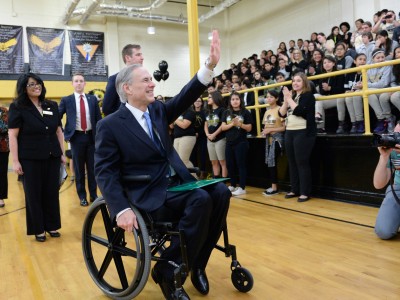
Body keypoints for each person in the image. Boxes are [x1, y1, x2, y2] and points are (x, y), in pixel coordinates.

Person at [95, 30, 230, 299]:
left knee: (222, 193)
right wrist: (120, 208)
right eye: (145, 80)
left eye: (151, 79)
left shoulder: (157, 109)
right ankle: (168, 271)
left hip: (176, 185)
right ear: (127, 88)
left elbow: (185, 96)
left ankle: (196, 265)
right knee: (201, 200)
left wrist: (209, 66)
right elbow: (105, 171)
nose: (152, 84)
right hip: (146, 195)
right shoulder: (109, 126)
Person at [8, 73, 65, 242]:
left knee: (51, 193)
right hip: (30, 159)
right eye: (31, 84)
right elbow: (12, 135)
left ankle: (52, 225)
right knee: (34, 194)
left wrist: (61, 153)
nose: (36, 86)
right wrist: (15, 161)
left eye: (38, 83)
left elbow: (58, 132)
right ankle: (38, 229)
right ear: (23, 88)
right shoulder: (18, 107)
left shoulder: (51, 105)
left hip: (52, 156)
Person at [59, 73, 102, 206]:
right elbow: (56, 117)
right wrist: (63, 132)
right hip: (76, 138)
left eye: (81, 81)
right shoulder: (67, 100)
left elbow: (98, 119)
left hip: (91, 137)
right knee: (79, 170)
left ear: (85, 84)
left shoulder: (93, 99)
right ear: (72, 84)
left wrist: (100, 136)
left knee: (92, 169)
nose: (78, 83)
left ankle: (94, 195)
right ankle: (82, 196)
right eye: (76, 81)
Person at [279, 72, 316, 202]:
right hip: (290, 131)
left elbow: (301, 111)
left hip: (303, 132)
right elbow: (282, 114)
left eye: (298, 81)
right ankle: (294, 189)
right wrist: (286, 100)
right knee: (292, 162)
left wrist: (289, 99)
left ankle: (305, 192)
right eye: (293, 81)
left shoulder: (308, 96)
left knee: (302, 162)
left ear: (304, 83)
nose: (295, 83)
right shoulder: (292, 96)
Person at [221, 91, 252, 196]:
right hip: (229, 142)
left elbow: (249, 128)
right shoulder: (226, 112)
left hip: (241, 142)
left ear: (240, 100)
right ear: (230, 101)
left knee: (241, 165)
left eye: (237, 99)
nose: (235, 101)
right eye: (233, 99)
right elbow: (223, 127)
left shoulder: (245, 112)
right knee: (230, 165)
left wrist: (240, 124)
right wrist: (232, 124)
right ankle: (233, 185)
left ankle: (242, 187)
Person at [373, 123, 400, 239]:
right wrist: (383, 158)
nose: (395, 138)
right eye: (395, 134)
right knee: (383, 231)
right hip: (398, 189)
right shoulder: (394, 151)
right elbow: (378, 184)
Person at [102, 44, 144, 115]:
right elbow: (107, 108)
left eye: (141, 55)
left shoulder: (144, 79)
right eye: (138, 55)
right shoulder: (115, 79)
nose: (142, 58)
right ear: (128, 58)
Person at [261, 90, 285, 196]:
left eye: (271, 97)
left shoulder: (280, 109)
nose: (268, 98)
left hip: (278, 139)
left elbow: (284, 127)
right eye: (267, 97)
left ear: (276, 98)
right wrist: (264, 131)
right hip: (268, 140)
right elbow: (265, 126)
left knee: (272, 162)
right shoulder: (266, 112)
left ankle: (274, 187)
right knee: (270, 163)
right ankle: (273, 186)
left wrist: (270, 130)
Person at [314, 56, 345, 134]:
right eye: (324, 63)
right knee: (316, 97)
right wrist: (325, 89)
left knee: (319, 99)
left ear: (333, 63)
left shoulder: (339, 74)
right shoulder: (322, 76)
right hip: (327, 98)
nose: (326, 64)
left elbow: (341, 90)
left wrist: (330, 88)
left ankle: (320, 124)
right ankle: (320, 127)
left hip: (337, 97)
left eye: (329, 62)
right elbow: (321, 92)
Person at [367, 49, 393, 134]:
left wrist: (369, 86)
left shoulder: (387, 65)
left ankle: (388, 120)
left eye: (382, 57)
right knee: (369, 94)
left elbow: (384, 83)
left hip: (385, 90)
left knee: (378, 95)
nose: (381, 59)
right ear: (373, 59)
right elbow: (365, 82)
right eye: (378, 58)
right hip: (374, 92)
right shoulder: (368, 68)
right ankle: (381, 119)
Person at [205, 91, 228, 178]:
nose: (208, 99)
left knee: (222, 161)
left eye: (210, 97)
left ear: (215, 98)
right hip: (209, 139)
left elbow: (222, 126)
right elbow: (205, 124)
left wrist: (214, 134)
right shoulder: (208, 111)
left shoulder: (222, 110)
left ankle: (224, 181)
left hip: (220, 138)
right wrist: (207, 134)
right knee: (213, 161)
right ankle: (216, 180)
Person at [344, 53, 367, 134]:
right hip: (352, 93)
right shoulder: (350, 72)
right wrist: (348, 90)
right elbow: (346, 87)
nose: (362, 61)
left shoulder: (367, 71)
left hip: (362, 93)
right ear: (354, 61)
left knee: (356, 94)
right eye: (360, 59)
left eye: (364, 60)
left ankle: (360, 121)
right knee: (348, 97)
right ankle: (354, 123)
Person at [189, 98, 208, 179]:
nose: (197, 102)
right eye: (195, 101)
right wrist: (194, 133)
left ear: (202, 103)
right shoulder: (190, 112)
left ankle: (203, 173)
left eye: (199, 101)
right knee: (193, 155)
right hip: (192, 136)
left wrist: (199, 133)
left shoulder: (205, 112)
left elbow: (206, 126)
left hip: (202, 136)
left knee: (203, 155)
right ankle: (195, 173)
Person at [0, 106, 9, 208]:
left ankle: (1, 197)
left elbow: (4, 127)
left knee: (2, 172)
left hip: (2, 147)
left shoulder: (4, 111)